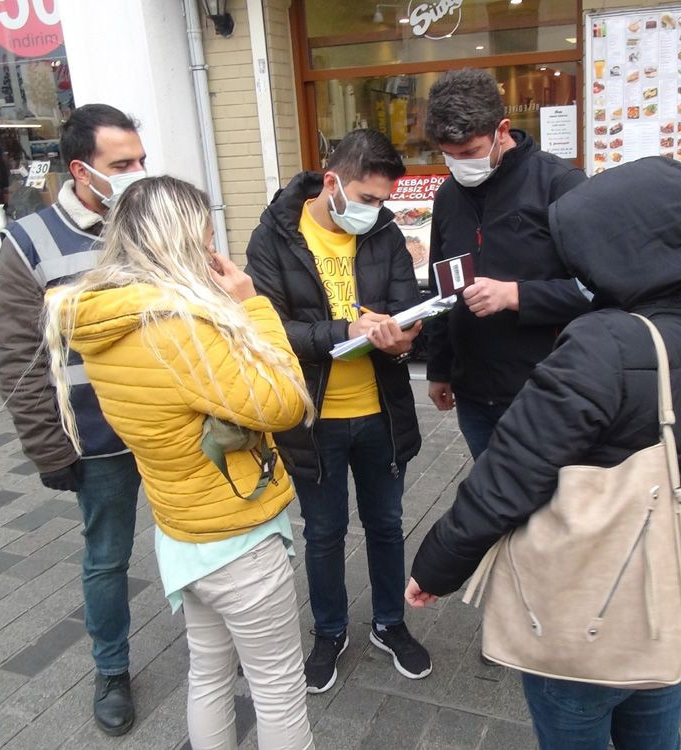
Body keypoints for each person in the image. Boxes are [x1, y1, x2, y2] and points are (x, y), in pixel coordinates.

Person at [406, 156, 681, 750]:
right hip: (671, 593)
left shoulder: (600, 342)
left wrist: (437, 564)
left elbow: (510, 474)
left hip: (582, 608)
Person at [44, 176, 315, 750]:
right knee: (278, 691)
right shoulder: (176, 329)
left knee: (209, 675)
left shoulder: (106, 319)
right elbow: (286, 401)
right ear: (183, 241)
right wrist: (253, 304)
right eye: (207, 237)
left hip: (181, 531)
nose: (215, 248)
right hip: (237, 540)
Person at [245, 129, 430, 694]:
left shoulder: (384, 233)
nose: (375, 211)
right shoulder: (274, 235)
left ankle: (389, 623)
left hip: (381, 412)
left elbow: (405, 308)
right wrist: (345, 330)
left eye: (383, 200)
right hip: (313, 417)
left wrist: (404, 338)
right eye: (367, 198)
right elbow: (271, 330)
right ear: (332, 182)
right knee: (323, 531)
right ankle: (328, 631)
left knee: (387, 524)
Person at [0, 103, 147, 736]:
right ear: (82, 170)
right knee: (107, 558)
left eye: (141, 160)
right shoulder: (30, 241)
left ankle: (217, 649)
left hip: (170, 426)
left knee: (198, 542)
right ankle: (111, 669)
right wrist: (48, 448)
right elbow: (17, 354)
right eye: (123, 163)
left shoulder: (149, 221)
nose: (138, 172)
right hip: (98, 439)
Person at [423, 68, 590, 460]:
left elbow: (598, 290)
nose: (459, 164)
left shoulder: (559, 184)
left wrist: (516, 295)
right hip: (474, 394)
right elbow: (442, 289)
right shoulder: (448, 196)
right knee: (490, 493)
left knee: (547, 496)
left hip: (547, 391)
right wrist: (439, 369)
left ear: (502, 129)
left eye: (469, 152)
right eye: (448, 155)